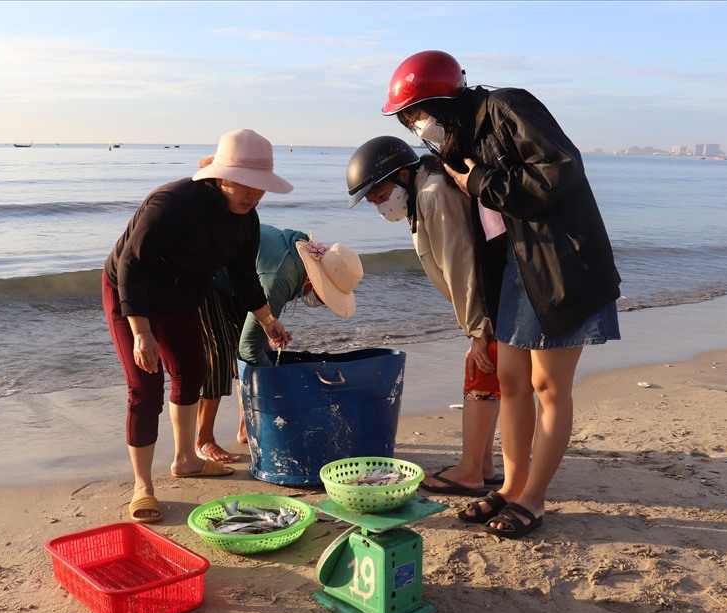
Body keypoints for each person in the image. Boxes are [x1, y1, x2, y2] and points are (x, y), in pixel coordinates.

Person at [382, 51, 621, 538]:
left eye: (415, 114)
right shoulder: (457, 140)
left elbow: (562, 167)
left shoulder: (505, 107)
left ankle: (534, 498)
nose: (415, 126)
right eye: (407, 121)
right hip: (515, 268)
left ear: (439, 100)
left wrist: (481, 182)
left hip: (559, 263)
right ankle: (511, 487)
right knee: (510, 381)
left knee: (549, 388)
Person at [102, 129, 294, 524]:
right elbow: (130, 266)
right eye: (247, 184)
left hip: (181, 295)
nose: (254, 194)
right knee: (145, 386)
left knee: (193, 370)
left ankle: (186, 459)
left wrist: (268, 320)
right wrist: (141, 333)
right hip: (130, 294)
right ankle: (143, 486)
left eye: (261, 187)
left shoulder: (247, 220)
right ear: (221, 174)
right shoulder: (171, 203)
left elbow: (244, 278)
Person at [347, 135, 505, 497]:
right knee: (488, 374)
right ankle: (482, 466)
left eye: (379, 194)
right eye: (372, 201)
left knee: (479, 374)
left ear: (402, 175)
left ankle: (470, 472)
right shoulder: (424, 192)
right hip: (490, 300)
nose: (379, 205)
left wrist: (477, 327)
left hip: (489, 303)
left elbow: (460, 261)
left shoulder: (433, 195)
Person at [196, 222, 364, 462]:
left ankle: (247, 429)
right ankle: (204, 441)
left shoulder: (300, 262)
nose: (324, 303)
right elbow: (248, 349)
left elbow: (260, 322)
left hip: (237, 279)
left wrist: (269, 332)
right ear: (314, 281)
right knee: (221, 354)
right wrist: (279, 390)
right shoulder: (282, 277)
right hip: (203, 271)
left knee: (258, 345)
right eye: (326, 297)